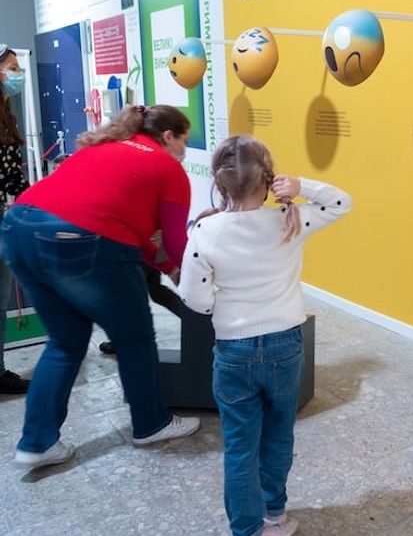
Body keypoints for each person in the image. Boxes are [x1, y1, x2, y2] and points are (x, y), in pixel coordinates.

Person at [4, 104, 201, 470]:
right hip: (81, 239)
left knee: (64, 342)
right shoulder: (166, 167)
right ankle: (151, 423)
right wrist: (188, 274)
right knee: (135, 338)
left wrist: (165, 268)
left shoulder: (101, 147)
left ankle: (36, 442)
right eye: (184, 140)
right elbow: (174, 242)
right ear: (169, 137)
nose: (183, 150)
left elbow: (125, 227)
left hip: (19, 229)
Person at [178, 135, 352, 536]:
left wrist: (219, 305)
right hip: (285, 345)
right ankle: (275, 512)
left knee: (239, 445)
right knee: (278, 435)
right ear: (269, 178)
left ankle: (248, 528)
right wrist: (301, 187)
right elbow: (341, 202)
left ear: (219, 181)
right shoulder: (290, 219)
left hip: (233, 350)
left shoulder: (205, 230)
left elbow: (194, 297)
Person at [0, 45, 31, 394]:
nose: (17, 72)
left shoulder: (6, 113)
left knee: (1, 298)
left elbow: (11, 177)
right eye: (11, 67)